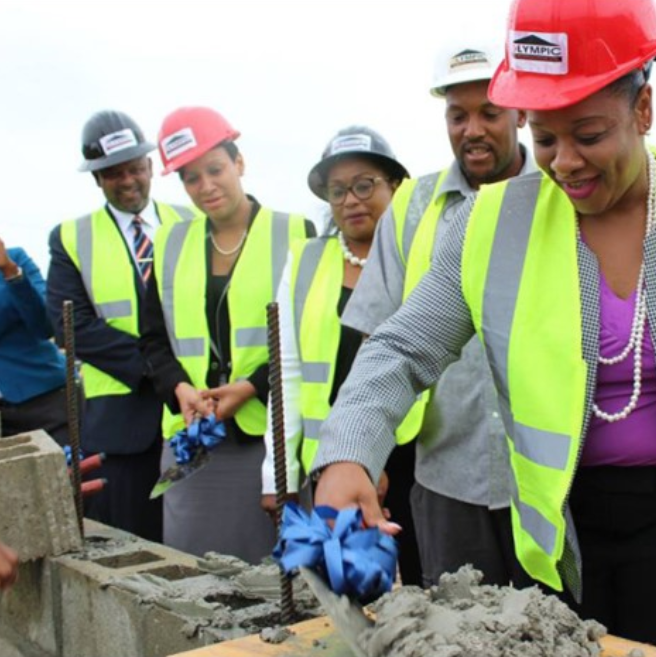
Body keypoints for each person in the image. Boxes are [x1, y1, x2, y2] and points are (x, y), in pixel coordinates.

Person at [311, 1, 656, 655]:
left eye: (589, 135)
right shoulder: (488, 223)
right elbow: (400, 346)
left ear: (642, 109)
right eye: (544, 138)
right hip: (563, 543)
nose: (564, 163)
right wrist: (347, 453)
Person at [340, 38, 538, 588]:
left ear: (520, 111)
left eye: (488, 113)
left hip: (546, 480)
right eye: (458, 115)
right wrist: (364, 452)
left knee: (551, 633)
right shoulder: (412, 205)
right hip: (447, 474)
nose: (471, 129)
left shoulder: (558, 193)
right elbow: (376, 337)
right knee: (455, 629)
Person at [140, 107, 313, 564]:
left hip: (267, 432)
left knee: (267, 567)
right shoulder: (170, 243)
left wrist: (252, 388)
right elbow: (153, 340)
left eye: (215, 169)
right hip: (193, 434)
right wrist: (179, 389)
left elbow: (308, 335)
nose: (207, 187)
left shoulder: (295, 233)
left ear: (239, 163)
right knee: (191, 566)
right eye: (191, 179)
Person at [260, 125, 417, 580]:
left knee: (418, 589)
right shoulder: (306, 260)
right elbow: (286, 370)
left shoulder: (420, 256)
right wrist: (278, 474)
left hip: (410, 460)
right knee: (341, 588)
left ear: (395, 187)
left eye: (365, 184)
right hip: (327, 462)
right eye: (337, 190)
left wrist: (375, 459)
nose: (351, 200)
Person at [47, 110, 196, 542]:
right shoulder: (71, 237)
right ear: (97, 179)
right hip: (120, 421)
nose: (128, 180)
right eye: (114, 173)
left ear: (151, 166)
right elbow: (68, 326)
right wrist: (160, 368)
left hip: (191, 413)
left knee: (197, 547)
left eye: (135, 168)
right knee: (131, 546)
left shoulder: (191, 224)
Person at [0, 239, 67, 444]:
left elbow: (45, 326)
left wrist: (12, 274)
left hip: (44, 398)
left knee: (71, 471)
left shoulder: (15, 259)